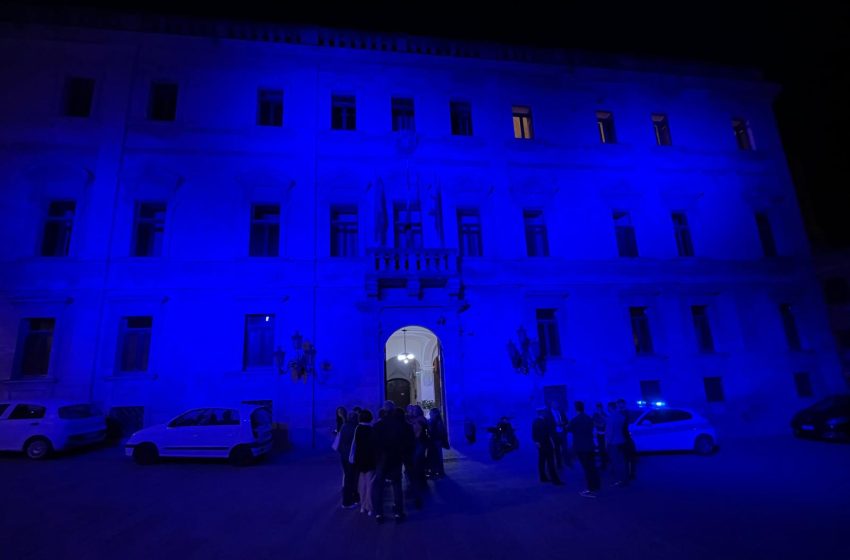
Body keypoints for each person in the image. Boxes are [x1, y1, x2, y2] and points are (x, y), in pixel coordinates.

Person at [372, 407, 415, 523]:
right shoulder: (399, 426)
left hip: (381, 459)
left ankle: (379, 514)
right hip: (396, 458)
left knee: (379, 486)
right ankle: (398, 513)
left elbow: (373, 444)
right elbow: (407, 442)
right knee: (396, 485)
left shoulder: (378, 426)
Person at [568, 401, 600, 498]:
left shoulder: (574, 420)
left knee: (587, 468)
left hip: (581, 448)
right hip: (590, 446)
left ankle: (590, 490)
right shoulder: (589, 418)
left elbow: (568, 429)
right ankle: (595, 486)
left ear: (576, 409)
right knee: (592, 467)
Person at [352, 409, 376, 516]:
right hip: (370, 457)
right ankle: (369, 506)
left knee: (361, 482)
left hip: (360, 457)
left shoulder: (358, 428)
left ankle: (362, 505)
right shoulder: (372, 429)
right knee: (369, 482)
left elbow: (355, 444)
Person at [532, 406, 562, 485]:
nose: (544, 413)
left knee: (544, 461)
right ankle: (553, 479)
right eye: (543, 412)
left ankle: (544, 477)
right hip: (544, 444)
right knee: (547, 461)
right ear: (540, 413)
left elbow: (549, 432)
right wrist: (537, 442)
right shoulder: (537, 422)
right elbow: (534, 434)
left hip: (546, 443)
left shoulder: (544, 421)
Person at [337, 411, 360, 508]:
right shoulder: (356, 428)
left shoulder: (344, 427)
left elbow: (340, 443)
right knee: (353, 479)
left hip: (344, 457)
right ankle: (349, 501)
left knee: (348, 477)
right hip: (352, 457)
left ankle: (350, 499)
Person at [605, 401, 628, 487]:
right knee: (622, 461)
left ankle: (619, 480)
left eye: (608, 407)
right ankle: (625, 478)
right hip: (622, 441)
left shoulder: (610, 418)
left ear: (611, 407)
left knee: (616, 462)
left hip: (613, 443)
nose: (607, 409)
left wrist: (608, 443)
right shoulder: (621, 417)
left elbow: (610, 432)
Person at [617, 399, 638, 483]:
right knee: (626, 458)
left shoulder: (626, 414)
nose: (620, 406)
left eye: (621, 404)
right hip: (624, 438)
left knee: (628, 458)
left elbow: (629, 426)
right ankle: (629, 474)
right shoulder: (621, 414)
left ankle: (630, 474)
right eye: (619, 404)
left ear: (624, 404)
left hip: (626, 439)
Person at [546, 400, 568, 469]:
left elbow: (566, 421)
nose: (557, 405)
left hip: (562, 432)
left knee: (565, 448)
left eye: (557, 404)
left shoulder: (561, 412)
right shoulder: (548, 414)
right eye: (555, 404)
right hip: (555, 434)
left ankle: (566, 461)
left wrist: (563, 424)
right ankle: (559, 463)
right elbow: (547, 424)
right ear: (552, 405)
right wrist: (555, 424)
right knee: (557, 449)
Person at [427, 408, 449, 479]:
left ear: (435, 413)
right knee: (435, 456)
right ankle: (436, 471)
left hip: (436, 440)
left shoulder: (437, 421)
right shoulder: (434, 420)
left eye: (431, 412)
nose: (430, 414)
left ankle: (439, 471)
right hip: (434, 440)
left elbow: (440, 432)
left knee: (437, 456)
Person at [592, 402, 609, 470]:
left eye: (599, 408)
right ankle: (603, 462)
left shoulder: (604, 415)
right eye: (597, 408)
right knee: (601, 448)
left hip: (604, 433)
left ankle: (605, 461)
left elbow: (606, 422)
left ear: (601, 408)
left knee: (604, 448)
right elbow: (593, 423)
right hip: (599, 433)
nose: (598, 409)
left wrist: (602, 425)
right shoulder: (595, 415)